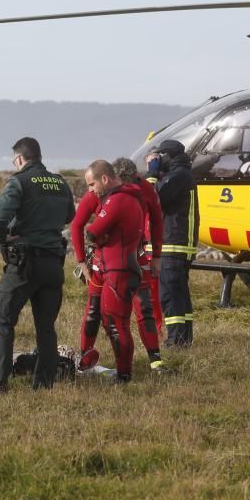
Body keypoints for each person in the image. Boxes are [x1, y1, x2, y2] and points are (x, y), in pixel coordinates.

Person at [0, 136, 75, 392]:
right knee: (46, 325)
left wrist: (4, 238)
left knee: (3, 317)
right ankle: (44, 382)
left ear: (20, 158)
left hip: (25, 263)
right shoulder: (59, 182)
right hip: (53, 263)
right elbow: (71, 214)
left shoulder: (19, 181)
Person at [83, 160, 145, 382]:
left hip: (119, 270)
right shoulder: (132, 197)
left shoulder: (118, 199)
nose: (91, 191)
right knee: (115, 323)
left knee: (116, 324)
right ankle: (123, 371)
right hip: (124, 268)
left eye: (92, 185)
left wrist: (100, 237)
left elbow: (92, 232)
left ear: (105, 179)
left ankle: (124, 375)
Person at [112, 156, 165, 367]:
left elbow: (158, 221)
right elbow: (86, 221)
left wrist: (157, 256)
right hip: (113, 256)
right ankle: (120, 363)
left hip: (138, 253)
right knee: (110, 311)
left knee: (143, 308)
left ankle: (155, 360)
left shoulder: (146, 189)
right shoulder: (106, 187)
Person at [147, 139, 200, 347]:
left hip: (173, 245)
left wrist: (152, 174)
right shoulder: (180, 174)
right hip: (177, 246)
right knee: (179, 296)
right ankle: (183, 339)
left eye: (160, 157)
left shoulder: (178, 176)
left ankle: (176, 341)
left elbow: (152, 197)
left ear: (167, 157)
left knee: (169, 295)